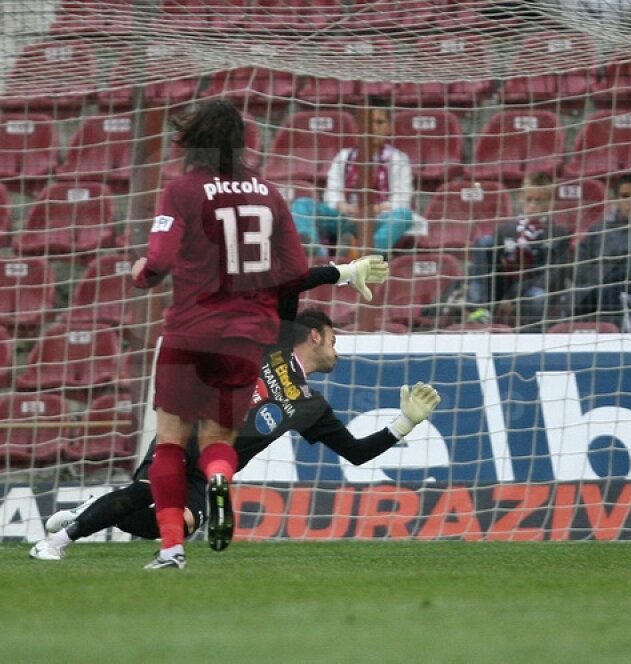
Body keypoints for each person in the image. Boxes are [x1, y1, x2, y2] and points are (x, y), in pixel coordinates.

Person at [30, 310, 442, 563]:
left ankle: (93, 508)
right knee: (145, 492)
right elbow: (288, 284)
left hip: (211, 470)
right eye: (335, 341)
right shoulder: (272, 341)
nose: (338, 351)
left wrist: (404, 424)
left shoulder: (312, 406)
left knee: (175, 524)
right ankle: (55, 543)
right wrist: (342, 272)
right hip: (189, 432)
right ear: (314, 335)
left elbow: (355, 452)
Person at [131, 98, 311, 570]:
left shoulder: (182, 190)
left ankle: (172, 548)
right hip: (246, 336)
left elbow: (160, 260)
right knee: (219, 439)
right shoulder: (268, 193)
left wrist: (142, 273)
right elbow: (295, 270)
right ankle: (218, 479)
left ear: (192, 141)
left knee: (171, 442)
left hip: (190, 332)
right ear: (240, 141)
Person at [290, 101, 425, 256]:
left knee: (404, 216)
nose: (372, 128)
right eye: (367, 123)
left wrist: (373, 210)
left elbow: (402, 200)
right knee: (302, 204)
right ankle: (317, 254)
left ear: (389, 128)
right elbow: (331, 195)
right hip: (346, 218)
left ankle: (360, 254)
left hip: (379, 220)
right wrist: (344, 207)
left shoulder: (399, 159)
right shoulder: (344, 156)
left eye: (379, 122)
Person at [465, 171, 572, 331]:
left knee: (538, 296)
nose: (533, 205)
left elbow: (552, 276)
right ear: (522, 198)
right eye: (529, 199)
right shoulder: (507, 229)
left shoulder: (558, 233)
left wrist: (513, 297)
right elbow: (490, 265)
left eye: (539, 200)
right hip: (503, 288)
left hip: (533, 289)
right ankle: (479, 307)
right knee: (485, 242)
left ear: (550, 202)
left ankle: (529, 336)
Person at [570, 173, 631, 332]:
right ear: (616, 200)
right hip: (602, 290)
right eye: (625, 196)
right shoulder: (598, 231)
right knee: (583, 295)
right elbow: (581, 269)